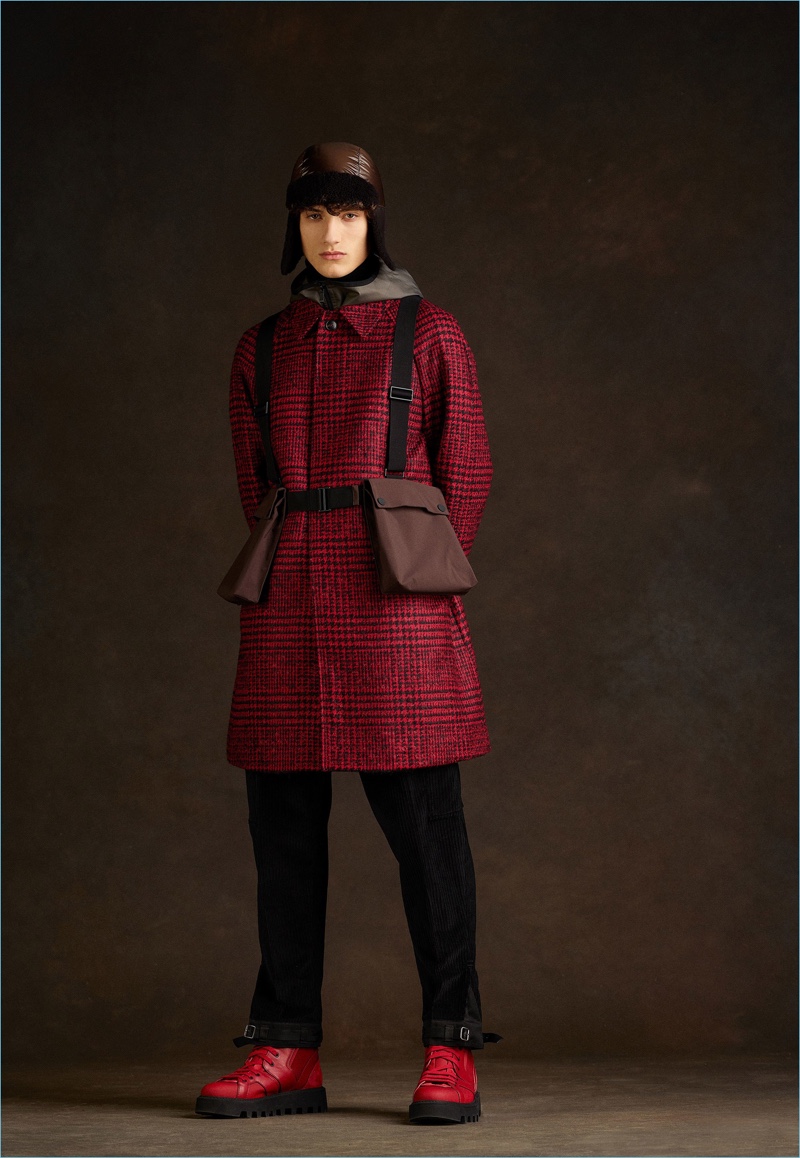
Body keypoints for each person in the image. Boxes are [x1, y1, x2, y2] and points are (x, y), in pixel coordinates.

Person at [196, 142, 500, 1126]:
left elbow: (468, 471)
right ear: (294, 225)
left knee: (427, 838)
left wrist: (414, 568)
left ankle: (451, 1046)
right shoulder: (260, 347)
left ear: (375, 222)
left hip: (397, 607)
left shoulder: (430, 331)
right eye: (314, 214)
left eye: (350, 213)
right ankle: (286, 1047)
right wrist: (305, 560)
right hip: (287, 609)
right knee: (282, 837)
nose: (332, 232)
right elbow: (255, 485)